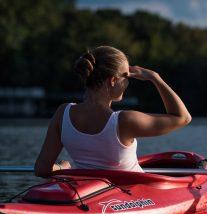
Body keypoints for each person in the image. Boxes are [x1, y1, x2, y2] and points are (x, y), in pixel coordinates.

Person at [34, 46, 191, 177]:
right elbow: (183, 117)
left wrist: (64, 168)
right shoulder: (125, 121)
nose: (128, 82)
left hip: (90, 195)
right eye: (126, 76)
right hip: (131, 198)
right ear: (113, 81)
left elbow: (42, 169)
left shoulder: (63, 113)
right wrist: (155, 78)